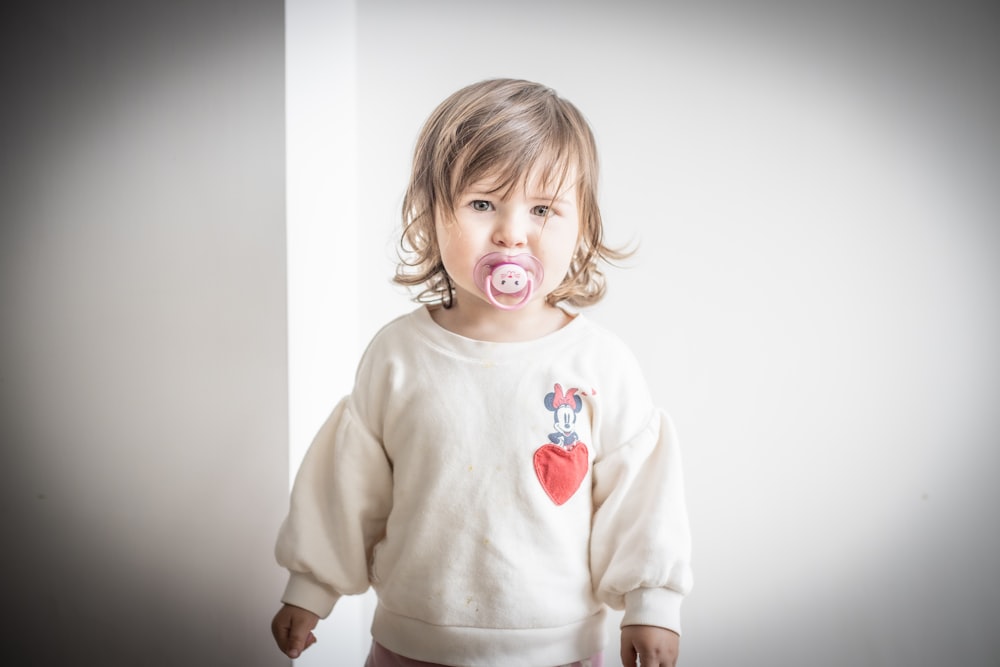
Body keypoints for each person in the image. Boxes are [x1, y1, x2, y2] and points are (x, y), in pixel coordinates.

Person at [271, 78, 693, 667]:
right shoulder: (398, 355)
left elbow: (640, 495)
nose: (512, 233)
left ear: (584, 227)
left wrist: (652, 602)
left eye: (542, 209)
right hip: (412, 644)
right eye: (482, 204)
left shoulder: (598, 364)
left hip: (561, 648)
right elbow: (347, 483)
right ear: (432, 216)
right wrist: (310, 588)